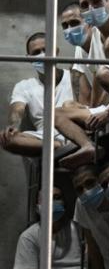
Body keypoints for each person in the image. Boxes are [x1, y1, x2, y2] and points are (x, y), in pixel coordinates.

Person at [2, 32, 97, 168]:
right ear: (29, 58)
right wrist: (13, 126)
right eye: (36, 52)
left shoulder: (74, 76)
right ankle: (57, 146)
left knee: (68, 107)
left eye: (46, 50)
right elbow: (17, 109)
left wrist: (72, 107)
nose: (42, 55)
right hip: (42, 138)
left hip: (74, 131)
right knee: (7, 139)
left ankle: (68, 145)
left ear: (56, 51)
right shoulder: (24, 86)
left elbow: (88, 108)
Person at [12, 184, 84, 269]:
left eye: (57, 198)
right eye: (47, 199)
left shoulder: (79, 228)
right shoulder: (29, 236)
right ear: (37, 208)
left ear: (64, 203)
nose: (53, 202)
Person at [59, 2, 108, 108]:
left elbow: (106, 84)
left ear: (89, 22)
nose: (69, 29)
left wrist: (92, 111)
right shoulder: (79, 49)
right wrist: (85, 111)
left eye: (74, 23)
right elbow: (83, 93)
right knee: (68, 105)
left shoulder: (100, 38)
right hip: (98, 107)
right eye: (65, 26)